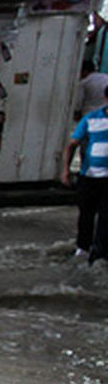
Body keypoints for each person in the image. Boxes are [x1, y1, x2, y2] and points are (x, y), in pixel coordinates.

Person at [61, 82, 108, 265]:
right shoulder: (91, 119)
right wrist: (66, 170)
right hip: (89, 176)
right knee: (86, 215)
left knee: (106, 216)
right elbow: (71, 144)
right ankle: (83, 248)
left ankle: (100, 253)